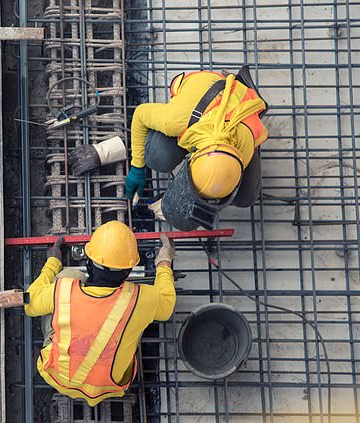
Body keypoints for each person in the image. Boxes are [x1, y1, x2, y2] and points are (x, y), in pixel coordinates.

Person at [24, 221, 176, 406]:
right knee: (136, 318)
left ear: (89, 263)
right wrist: (164, 262)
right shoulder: (141, 299)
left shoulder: (64, 290)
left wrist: (53, 262)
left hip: (57, 376)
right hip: (110, 387)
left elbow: (29, 304)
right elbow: (167, 304)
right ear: (128, 271)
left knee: (69, 276)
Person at [124, 66, 268, 230]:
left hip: (242, 108)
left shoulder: (247, 145)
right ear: (192, 158)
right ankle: (232, 80)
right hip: (203, 90)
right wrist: (137, 166)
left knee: (246, 198)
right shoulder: (176, 120)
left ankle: (244, 87)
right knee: (157, 158)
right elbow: (140, 115)